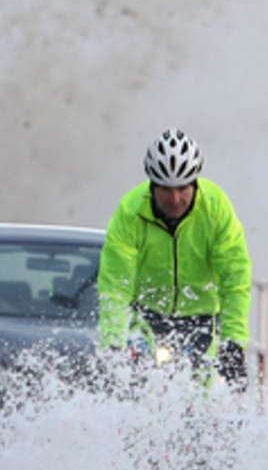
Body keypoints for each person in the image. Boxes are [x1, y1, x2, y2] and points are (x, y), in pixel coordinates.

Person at [97, 127, 252, 388]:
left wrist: (234, 342)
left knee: (202, 392)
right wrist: (112, 343)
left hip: (201, 317)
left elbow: (234, 279)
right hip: (146, 314)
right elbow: (115, 284)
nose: (175, 199)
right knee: (135, 385)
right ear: (152, 186)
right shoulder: (130, 212)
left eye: (182, 188)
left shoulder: (216, 209)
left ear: (194, 183)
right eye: (165, 190)